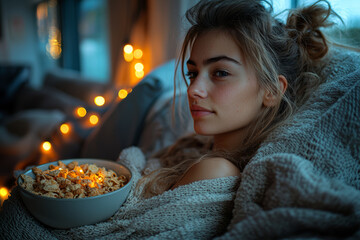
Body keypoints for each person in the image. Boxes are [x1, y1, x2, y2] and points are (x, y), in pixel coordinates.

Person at [138, 0, 345, 198]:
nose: (193, 90)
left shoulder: (216, 171)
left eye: (220, 73)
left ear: (272, 91)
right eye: (193, 73)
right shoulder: (193, 148)